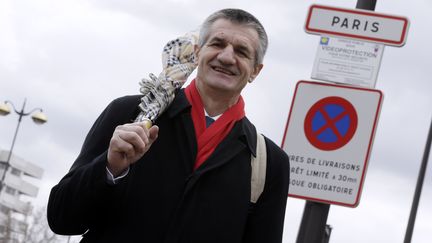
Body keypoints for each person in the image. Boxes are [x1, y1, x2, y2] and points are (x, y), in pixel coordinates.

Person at [48, 8, 290, 243]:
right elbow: (62, 219)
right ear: (197, 52)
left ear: (255, 71)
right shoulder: (130, 114)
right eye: (217, 44)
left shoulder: (269, 163)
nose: (227, 57)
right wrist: (109, 168)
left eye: (241, 51)